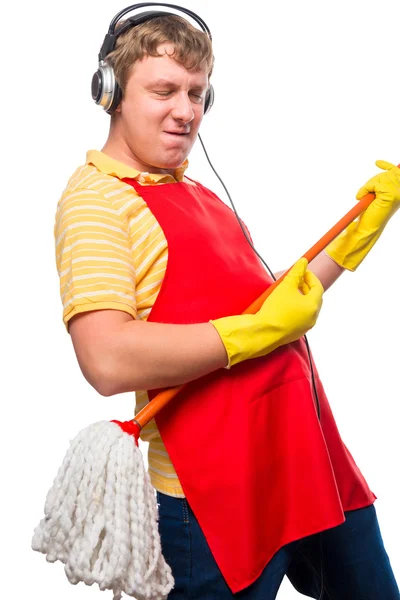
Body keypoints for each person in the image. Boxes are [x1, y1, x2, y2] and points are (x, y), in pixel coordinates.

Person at [54, 5, 400, 599]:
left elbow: (269, 309)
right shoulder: (95, 204)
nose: (186, 111)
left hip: (304, 455)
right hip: (213, 498)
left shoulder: (191, 188)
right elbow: (106, 359)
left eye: (197, 92)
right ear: (110, 93)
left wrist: (360, 230)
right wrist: (251, 334)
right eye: (164, 90)